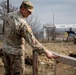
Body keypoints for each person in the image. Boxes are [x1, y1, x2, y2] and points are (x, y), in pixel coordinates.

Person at [2, 0, 57, 75]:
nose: (30, 14)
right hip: (16, 55)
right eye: (29, 11)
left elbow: (4, 31)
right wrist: (46, 51)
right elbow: (32, 41)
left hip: (6, 51)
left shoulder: (8, 15)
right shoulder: (23, 24)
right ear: (23, 9)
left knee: (7, 73)